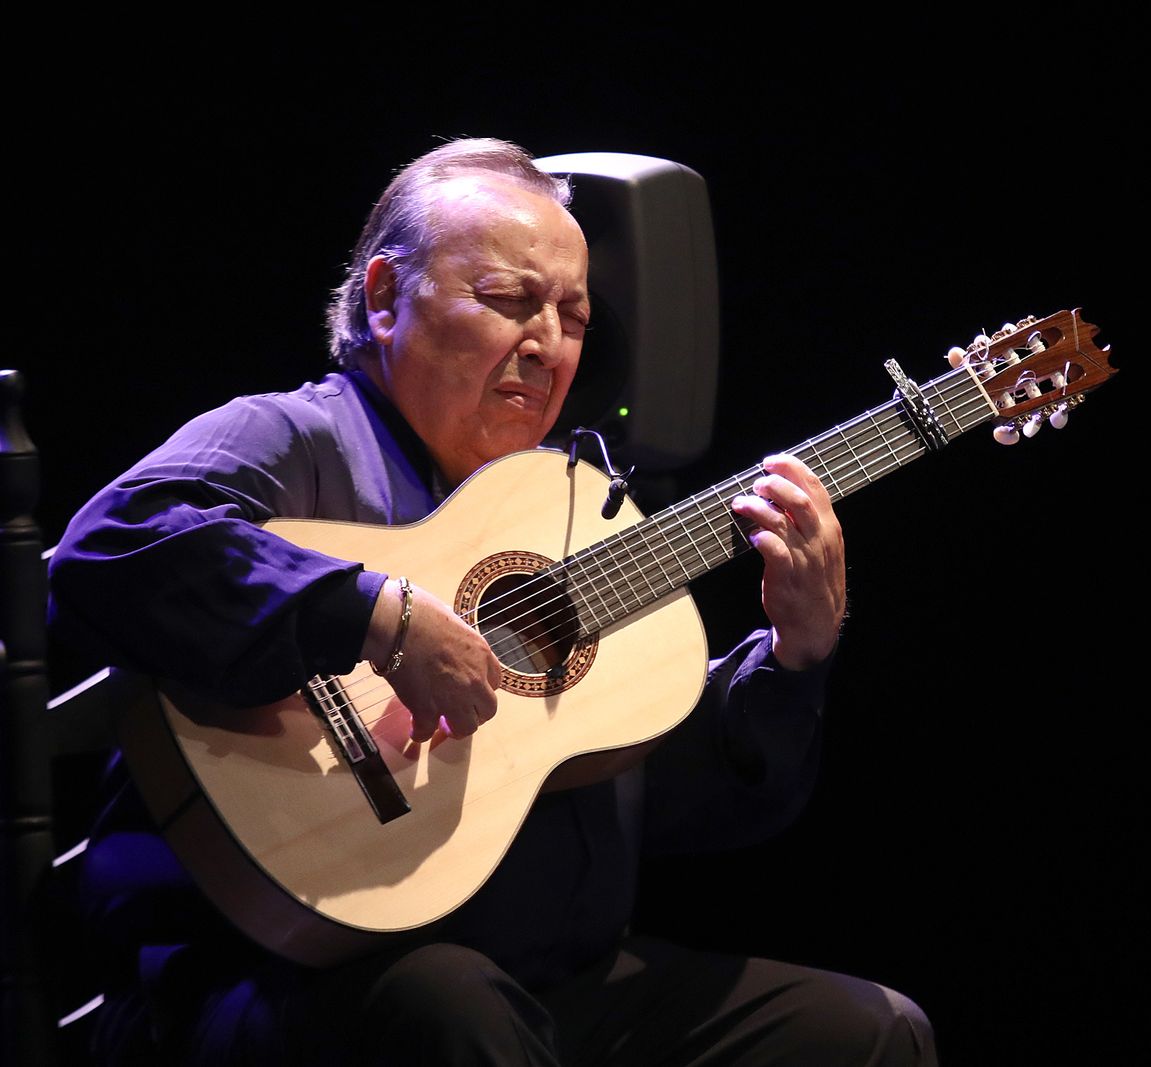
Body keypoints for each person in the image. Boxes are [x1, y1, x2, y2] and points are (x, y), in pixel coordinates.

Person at [48, 137, 936, 1066]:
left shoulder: (559, 511)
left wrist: (795, 656)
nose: (547, 343)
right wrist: (380, 617)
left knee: (872, 1030)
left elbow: (680, 806)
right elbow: (111, 546)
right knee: (451, 1004)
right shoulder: (294, 437)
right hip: (280, 984)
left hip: (548, 987)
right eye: (510, 298)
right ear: (386, 297)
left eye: (574, 316)